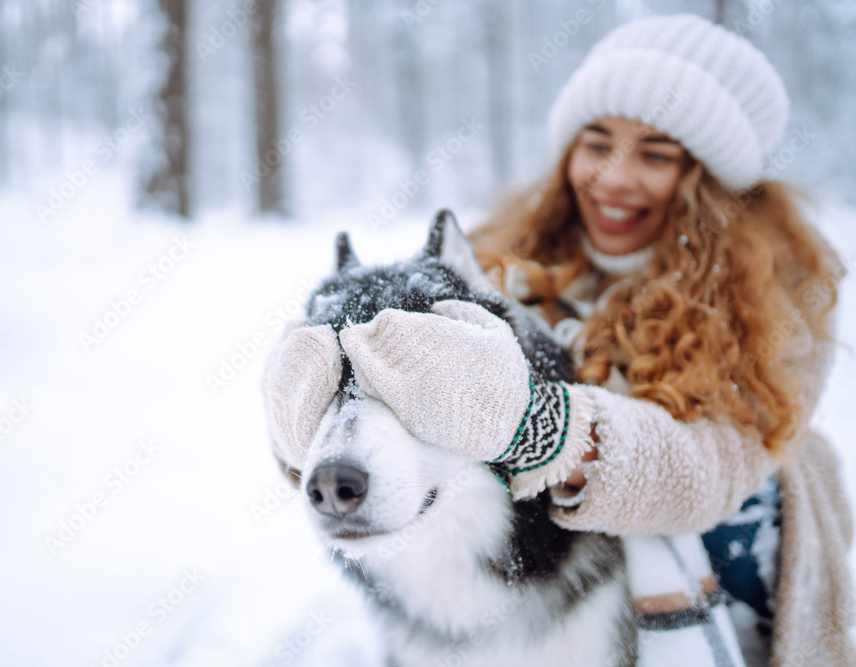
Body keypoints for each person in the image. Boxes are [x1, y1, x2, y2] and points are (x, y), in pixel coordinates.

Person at [265, 13, 854, 667]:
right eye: (596, 143)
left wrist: (538, 428)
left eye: (655, 154)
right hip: (535, 552)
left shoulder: (775, 288)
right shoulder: (500, 254)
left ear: (705, 179)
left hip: (722, 528)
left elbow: (710, 468)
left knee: (744, 507)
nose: (612, 177)